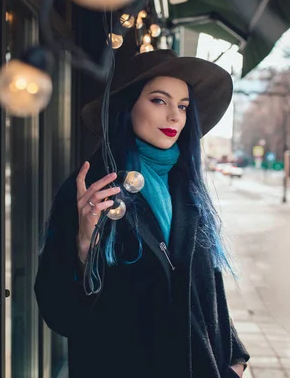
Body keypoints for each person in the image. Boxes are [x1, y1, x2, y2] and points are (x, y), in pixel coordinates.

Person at [35, 49, 249, 378]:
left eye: (182, 106)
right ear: (129, 105)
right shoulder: (91, 194)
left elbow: (208, 288)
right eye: (159, 101)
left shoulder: (188, 188)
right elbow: (60, 314)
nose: (175, 117)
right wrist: (83, 247)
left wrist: (235, 360)